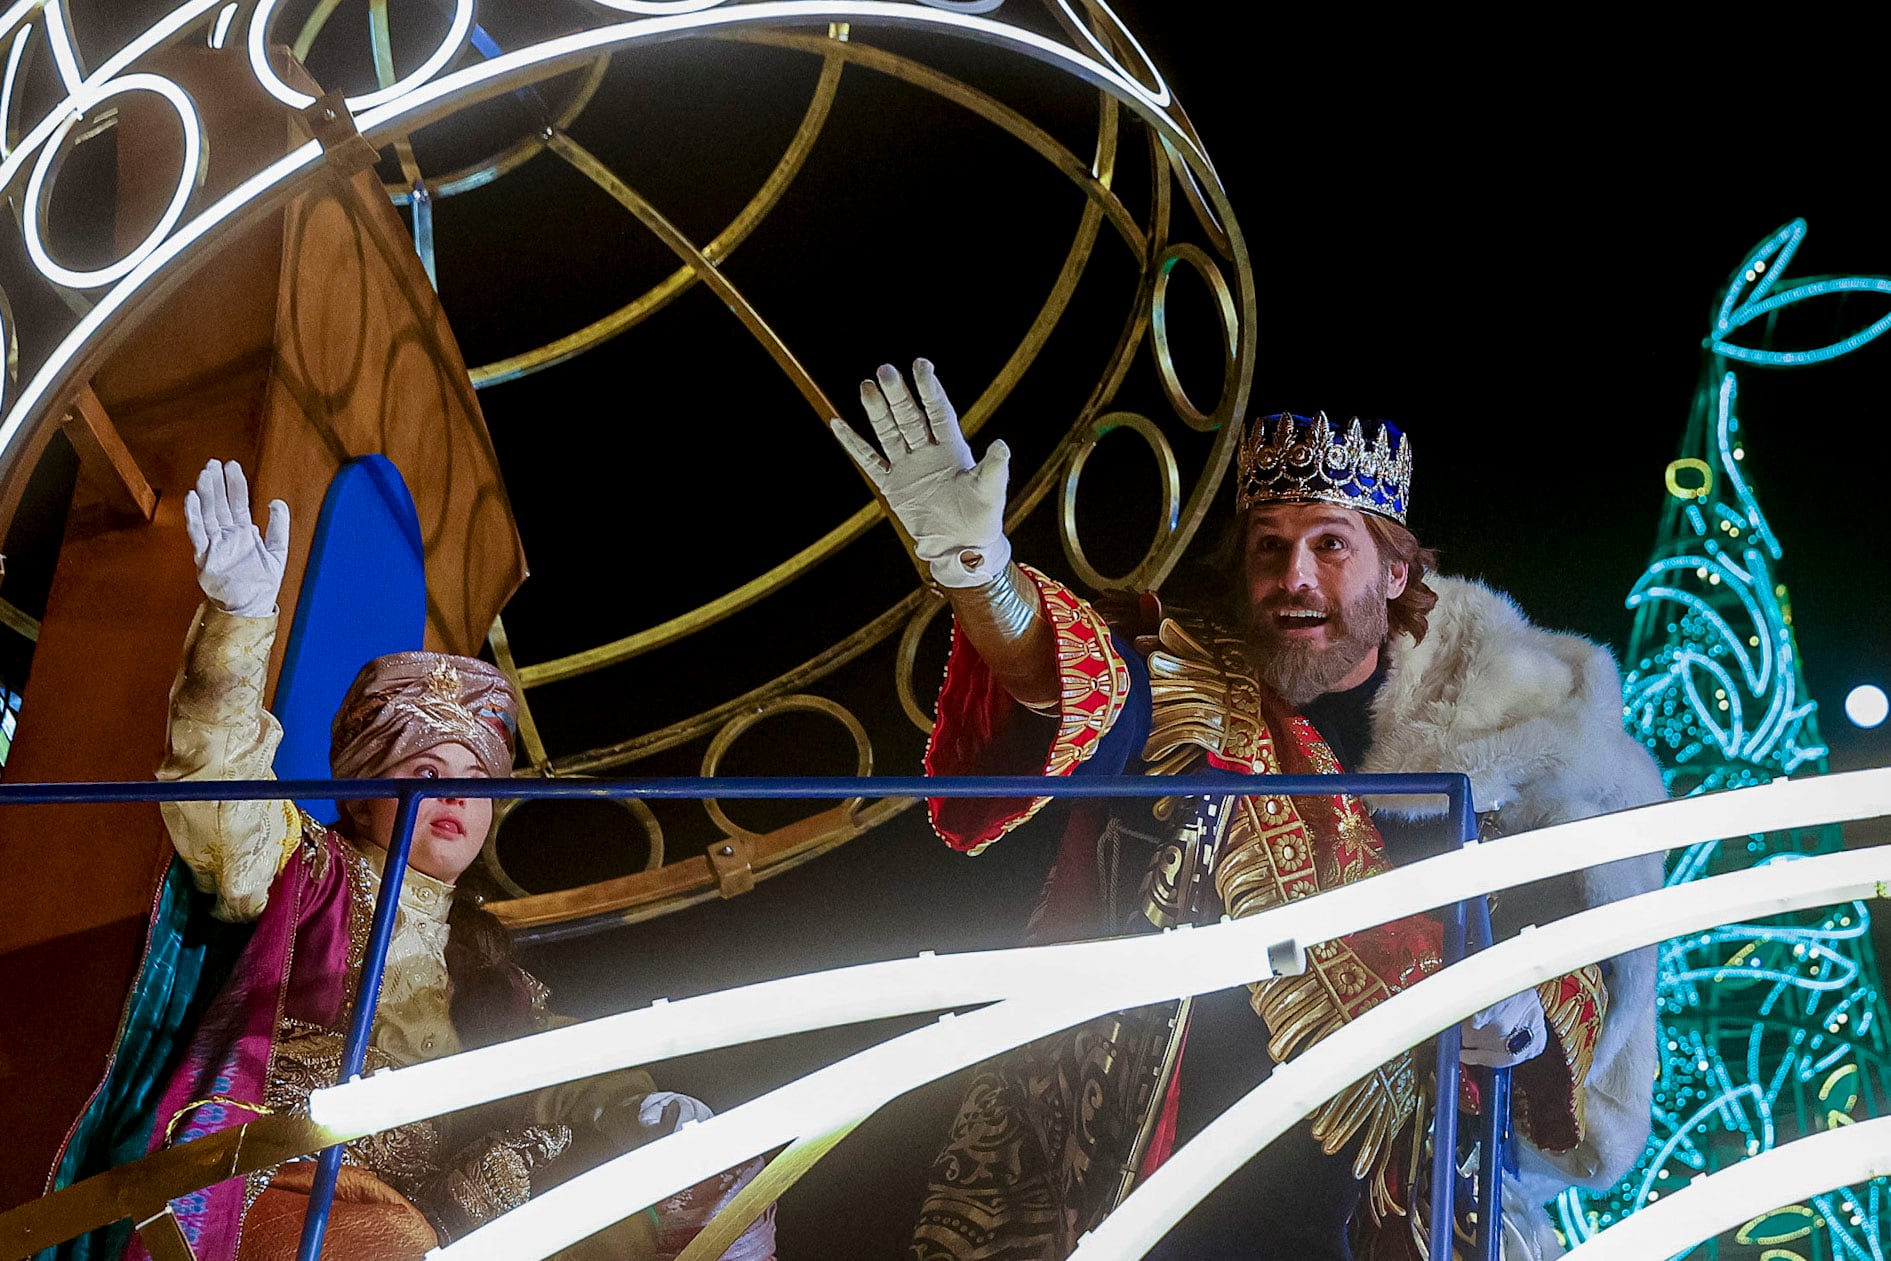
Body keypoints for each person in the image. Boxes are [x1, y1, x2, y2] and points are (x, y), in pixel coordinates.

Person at [831, 364, 1665, 1259]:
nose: (1292, 574)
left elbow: (1578, 961)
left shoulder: (1521, 731)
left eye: (1328, 545)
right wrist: (979, 576)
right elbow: (1079, 682)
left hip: (1385, 1198)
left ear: (1393, 570)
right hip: (1141, 1175)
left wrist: (1523, 1017)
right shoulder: (1202, 678)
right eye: (1268, 545)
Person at [117, 459, 775, 1261]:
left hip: (428, 1213)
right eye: (424, 775)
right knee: (393, 1240)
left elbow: (562, 1067)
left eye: (473, 778)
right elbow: (216, 788)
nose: (455, 797)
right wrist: (238, 620)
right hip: (278, 1187)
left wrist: (643, 1110)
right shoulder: (305, 871)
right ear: (359, 795)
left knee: (661, 1217)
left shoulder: (491, 967)